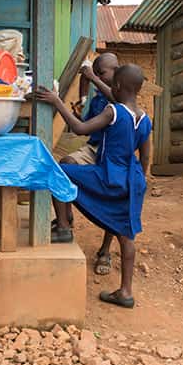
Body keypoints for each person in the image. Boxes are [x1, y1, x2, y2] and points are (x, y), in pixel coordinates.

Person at [37, 64, 151, 309]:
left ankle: (64, 226)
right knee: (126, 234)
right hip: (133, 179)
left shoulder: (113, 111)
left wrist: (57, 101)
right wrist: (140, 181)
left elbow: (79, 129)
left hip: (109, 174)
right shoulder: (145, 119)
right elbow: (146, 158)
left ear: (117, 87)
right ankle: (126, 292)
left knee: (60, 171)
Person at [57, 53, 120, 277]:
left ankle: (105, 251)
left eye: (102, 72)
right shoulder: (97, 101)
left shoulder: (124, 95)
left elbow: (116, 100)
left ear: (116, 70)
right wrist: (79, 110)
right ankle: (65, 222)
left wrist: (92, 77)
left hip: (114, 156)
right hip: (94, 150)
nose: (98, 76)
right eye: (98, 72)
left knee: (114, 199)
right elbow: (86, 128)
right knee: (63, 166)